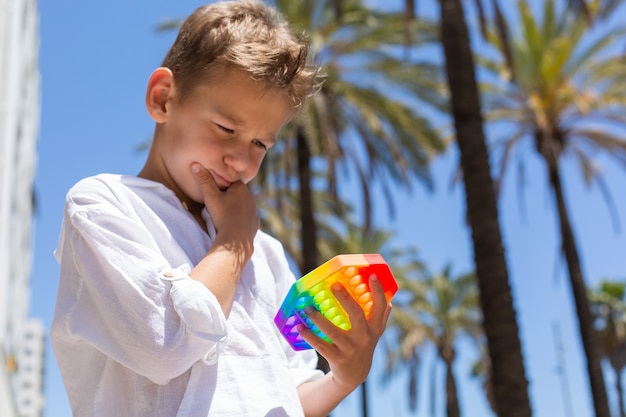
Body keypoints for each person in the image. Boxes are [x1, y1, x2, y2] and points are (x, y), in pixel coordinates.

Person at [51, 1, 392, 416]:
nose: (243, 161)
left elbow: (290, 394)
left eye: (260, 144)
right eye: (226, 128)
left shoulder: (265, 253)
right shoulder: (103, 206)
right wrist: (232, 242)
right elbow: (164, 345)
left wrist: (344, 378)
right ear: (163, 99)